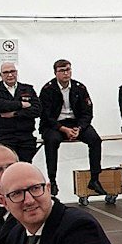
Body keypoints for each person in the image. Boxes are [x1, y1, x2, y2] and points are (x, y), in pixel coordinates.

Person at [38, 59, 102, 195]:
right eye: (62, 71)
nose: (66, 73)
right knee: (51, 141)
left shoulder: (80, 87)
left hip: (76, 123)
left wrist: (79, 128)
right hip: (55, 125)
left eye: (68, 70)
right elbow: (45, 116)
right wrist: (63, 129)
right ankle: (53, 180)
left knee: (95, 140)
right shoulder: (47, 90)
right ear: (55, 73)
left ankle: (95, 178)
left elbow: (87, 112)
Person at [0, 61, 40, 164]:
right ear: (0, 75)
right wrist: (21, 105)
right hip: (3, 135)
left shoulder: (28, 89)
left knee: (25, 168)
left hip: (25, 136)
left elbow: (37, 110)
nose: (10, 75)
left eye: (12, 71)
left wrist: (15, 114)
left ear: (16, 72)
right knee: (6, 168)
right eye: (6, 72)